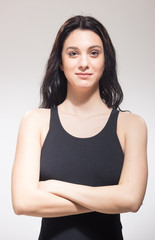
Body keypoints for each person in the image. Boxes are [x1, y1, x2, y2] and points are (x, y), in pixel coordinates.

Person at [11, 15, 148, 240]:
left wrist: (54, 186)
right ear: (61, 63)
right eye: (73, 53)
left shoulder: (131, 125)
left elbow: (131, 200)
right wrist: (109, 200)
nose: (83, 63)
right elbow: (23, 202)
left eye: (94, 53)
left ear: (106, 60)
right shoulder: (35, 121)